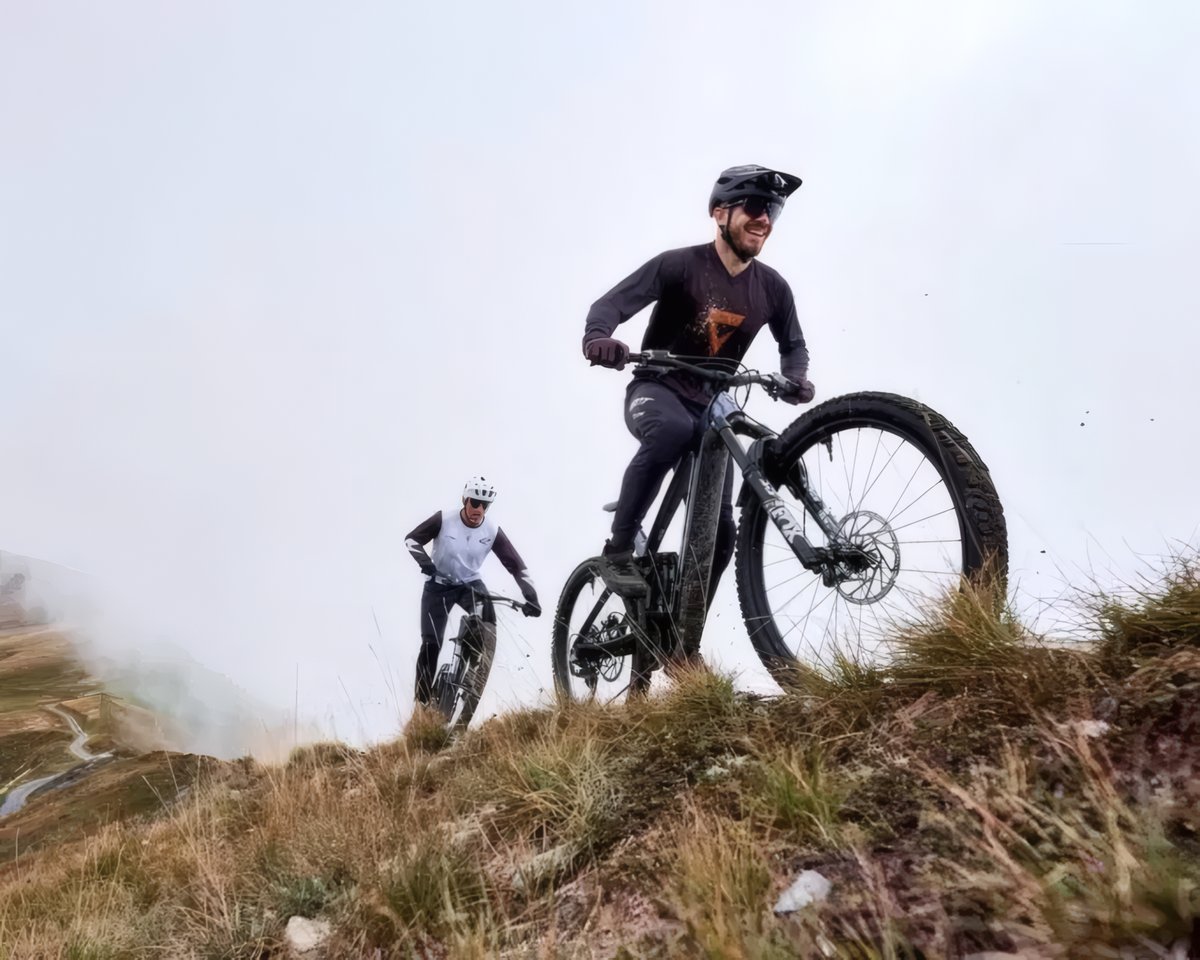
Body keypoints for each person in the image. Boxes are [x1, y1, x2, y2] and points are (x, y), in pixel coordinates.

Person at [581, 164, 815, 599]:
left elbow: (794, 347)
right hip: (657, 388)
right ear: (720, 213)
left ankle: (683, 640)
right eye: (756, 206)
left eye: (774, 212)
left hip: (714, 406)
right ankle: (617, 551)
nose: (765, 219)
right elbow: (608, 306)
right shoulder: (679, 265)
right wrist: (600, 339)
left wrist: (795, 378)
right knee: (673, 431)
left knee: (722, 532)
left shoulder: (774, 289)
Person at [404, 476, 540, 714]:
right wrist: (425, 563)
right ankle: (421, 704)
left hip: (469, 584)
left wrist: (531, 596)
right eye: (475, 502)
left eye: (484, 505)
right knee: (430, 646)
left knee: (488, 619)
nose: (478, 509)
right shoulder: (444, 519)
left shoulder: (492, 530)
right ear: (465, 500)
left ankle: (471, 666)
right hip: (438, 585)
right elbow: (411, 539)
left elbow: (515, 564)